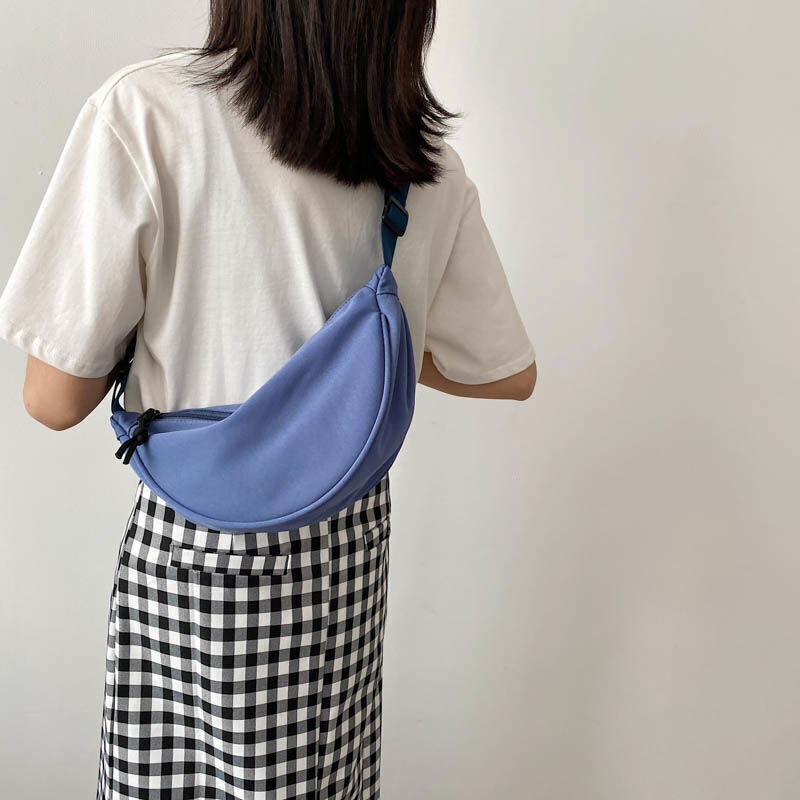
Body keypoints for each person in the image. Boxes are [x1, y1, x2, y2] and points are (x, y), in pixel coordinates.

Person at [0, 2, 536, 797]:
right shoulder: (423, 167)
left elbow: (53, 398)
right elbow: (507, 371)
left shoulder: (147, 114)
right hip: (345, 556)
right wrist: (361, 354)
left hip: (192, 550)